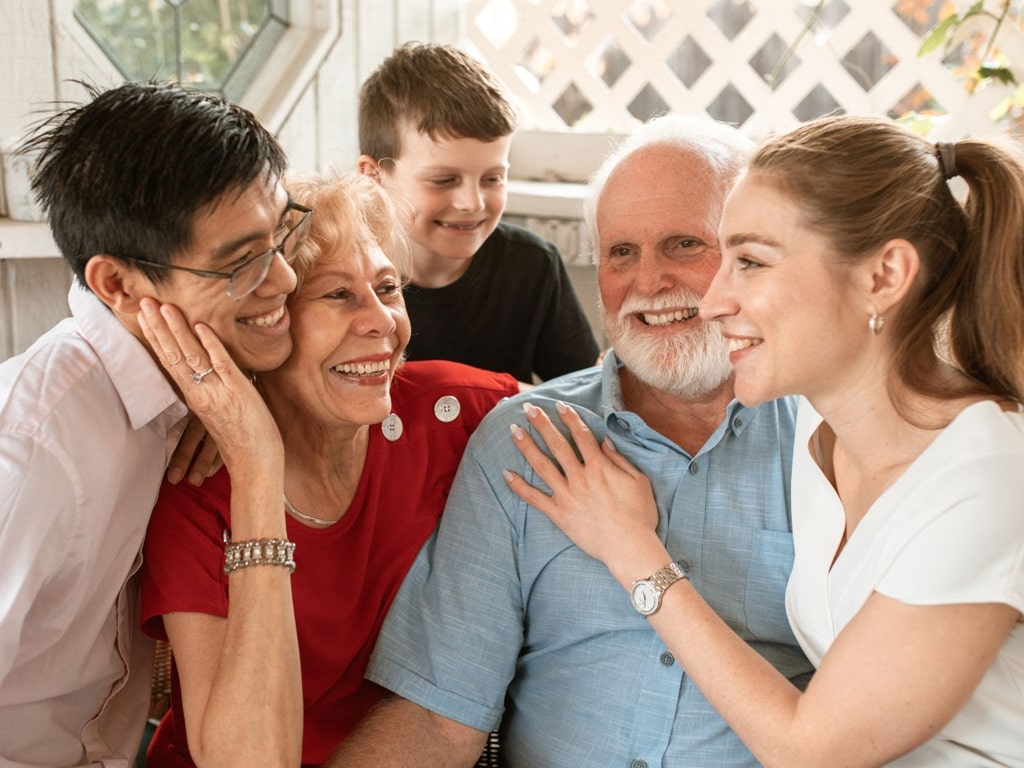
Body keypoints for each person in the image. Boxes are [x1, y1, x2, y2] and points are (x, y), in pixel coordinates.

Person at [507, 115, 1024, 766]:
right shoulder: (819, 427)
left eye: (749, 261)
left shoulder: (985, 476)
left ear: (884, 276)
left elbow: (809, 749)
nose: (716, 300)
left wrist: (632, 549)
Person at [328, 114, 813, 768]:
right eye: (621, 253)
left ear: (753, 255)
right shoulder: (524, 440)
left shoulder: (827, 441)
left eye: (683, 245)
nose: (648, 283)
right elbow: (438, 721)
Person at [138, 168, 521, 768]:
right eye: (338, 294)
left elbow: (604, 407)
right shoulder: (198, 490)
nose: (382, 322)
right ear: (269, 324)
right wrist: (258, 468)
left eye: (388, 288)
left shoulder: (452, 415)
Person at [0, 81, 297, 767]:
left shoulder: (183, 384)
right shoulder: (31, 449)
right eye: (242, 262)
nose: (282, 279)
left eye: (280, 236)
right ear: (118, 287)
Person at [356, 41, 600, 382]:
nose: (472, 203)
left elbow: (583, 393)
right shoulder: (342, 276)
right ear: (373, 177)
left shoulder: (533, 267)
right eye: (443, 179)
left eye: (493, 178)